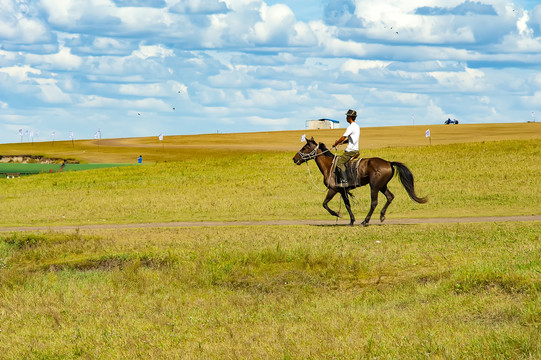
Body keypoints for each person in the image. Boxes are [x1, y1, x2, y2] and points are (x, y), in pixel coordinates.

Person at [333, 109, 360, 187]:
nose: (346, 118)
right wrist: (342, 143)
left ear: (350, 117)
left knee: (339, 163)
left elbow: (343, 137)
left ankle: (344, 181)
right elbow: (350, 139)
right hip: (356, 149)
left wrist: (336, 143)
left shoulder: (351, 127)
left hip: (350, 151)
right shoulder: (357, 126)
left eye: (347, 116)